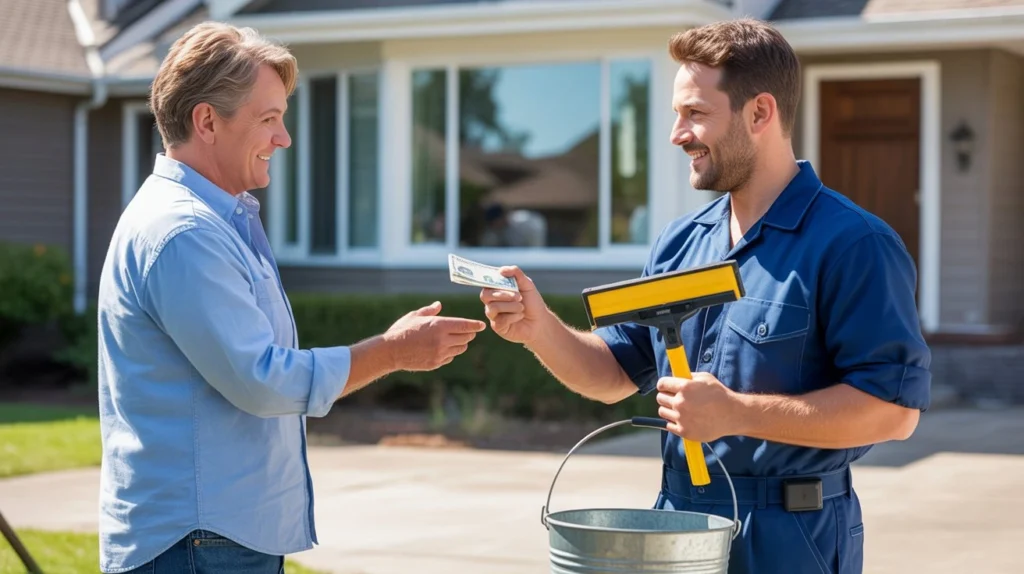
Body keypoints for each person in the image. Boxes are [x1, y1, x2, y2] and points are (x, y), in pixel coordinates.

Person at [481, 18, 930, 574]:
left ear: (760, 113)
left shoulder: (853, 244)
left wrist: (735, 414)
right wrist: (538, 328)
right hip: (677, 526)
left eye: (695, 114)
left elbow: (893, 412)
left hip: (793, 538)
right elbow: (616, 374)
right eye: (677, 114)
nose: (677, 133)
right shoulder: (680, 244)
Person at [96, 22, 486, 574]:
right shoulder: (185, 234)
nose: (285, 138)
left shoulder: (212, 221)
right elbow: (260, 378)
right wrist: (392, 352)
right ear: (207, 120)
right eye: (269, 119)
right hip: (198, 544)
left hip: (211, 537)